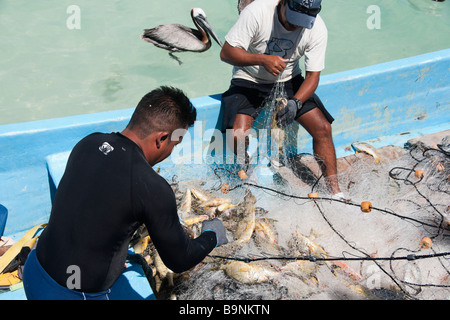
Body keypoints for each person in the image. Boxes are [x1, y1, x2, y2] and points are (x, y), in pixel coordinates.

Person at [22, 86, 228, 300]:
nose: (171, 152)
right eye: (175, 144)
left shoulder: (89, 143)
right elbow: (180, 259)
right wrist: (212, 234)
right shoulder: (152, 187)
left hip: (34, 269)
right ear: (162, 138)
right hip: (68, 295)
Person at [219, 0, 345, 198]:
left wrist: (295, 103)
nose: (295, 26)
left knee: (323, 128)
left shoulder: (317, 27)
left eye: (302, 22)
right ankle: (247, 167)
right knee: (236, 135)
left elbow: (313, 76)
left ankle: (335, 190)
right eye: (293, 19)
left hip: (288, 79)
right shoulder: (257, 12)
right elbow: (226, 53)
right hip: (249, 78)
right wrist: (262, 59)